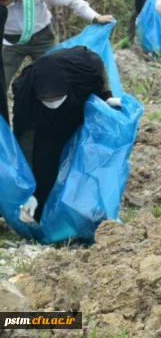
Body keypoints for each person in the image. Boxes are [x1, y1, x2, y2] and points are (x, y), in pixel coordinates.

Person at [13, 46, 120, 222]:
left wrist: (106, 96)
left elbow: (100, 69)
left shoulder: (83, 67)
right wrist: (29, 190)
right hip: (44, 125)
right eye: (48, 100)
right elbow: (24, 136)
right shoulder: (26, 90)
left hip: (75, 111)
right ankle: (42, 214)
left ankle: (84, 214)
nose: (54, 103)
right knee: (44, 161)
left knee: (80, 163)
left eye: (57, 99)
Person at [0, 0, 114, 90]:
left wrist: (95, 17)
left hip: (42, 39)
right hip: (11, 43)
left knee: (52, 78)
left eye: (3, 0)